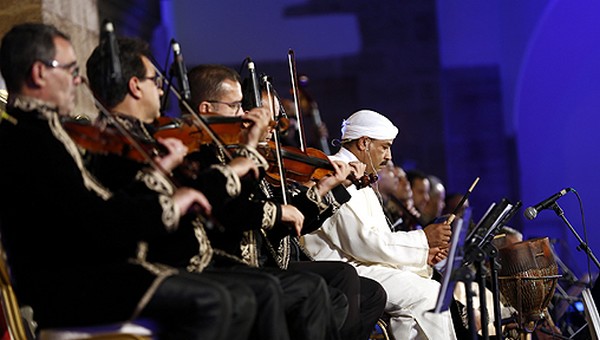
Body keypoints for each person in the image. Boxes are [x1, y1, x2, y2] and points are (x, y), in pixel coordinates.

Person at [0, 23, 257, 340]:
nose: (78, 80)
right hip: (69, 287)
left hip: (83, 273)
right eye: (69, 69)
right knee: (212, 300)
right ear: (39, 74)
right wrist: (171, 204)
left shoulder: (42, 132)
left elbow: (94, 210)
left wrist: (157, 174)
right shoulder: (28, 138)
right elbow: (96, 222)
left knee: (238, 298)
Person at [85, 36, 296, 339]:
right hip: (165, 263)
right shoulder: (113, 144)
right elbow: (143, 209)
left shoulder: (148, 137)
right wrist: (238, 163)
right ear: (134, 86)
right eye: (154, 81)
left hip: (196, 255)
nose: (161, 89)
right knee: (261, 291)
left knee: (272, 288)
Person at [186, 63, 387, 340]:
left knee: (365, 291)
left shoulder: (248, 158)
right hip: (235, 262)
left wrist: (326, 188)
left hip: (270, 257)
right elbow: (232, 211)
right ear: (207, 109)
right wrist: (277, 206)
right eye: (237, 108)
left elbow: (290, 225)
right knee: (324, 288)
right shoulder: (212, 157)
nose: (252, 121)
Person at [303, 109, 457, 339]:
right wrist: (423, 240)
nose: (389, 156)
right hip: (346, 269)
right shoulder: (336, 171)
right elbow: (363, 242)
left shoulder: (361, 174)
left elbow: (375, 238)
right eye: (384, 147)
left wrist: (422, 254)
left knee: (432, 286)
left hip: (364, 263)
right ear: (364, 143)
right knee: (429, 294)